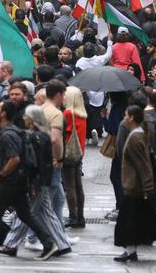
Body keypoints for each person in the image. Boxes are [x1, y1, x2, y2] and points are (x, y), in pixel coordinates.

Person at [0, 99, 58, 261]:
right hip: (21, 180)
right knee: (25, 214)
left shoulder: (7, 135)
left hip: (10, 181)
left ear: (3, 114)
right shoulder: (17, 131)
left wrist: (1, 174)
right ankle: (48, 242)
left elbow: (14, 159)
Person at [0, 105, 71, 257]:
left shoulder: (35, 137)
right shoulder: (41, 136)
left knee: (26, 212)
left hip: (36, 182)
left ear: (32, 119)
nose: (24, 118)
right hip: (41, 181)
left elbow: (36, 163)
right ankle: (63, 244)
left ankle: (11, 244)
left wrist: (34, 183)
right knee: (46, 212)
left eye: (26, 116)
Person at [113, 105, 156, 262]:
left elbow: (143, 164)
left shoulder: (136, 137)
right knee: (140, 218)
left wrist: (148, 187)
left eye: (125, 114)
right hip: (134, 186)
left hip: (135, 186)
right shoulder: (137, 134)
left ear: (131, 117)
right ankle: (132, 250)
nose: (124, 117)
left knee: (129, 220)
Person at [41, 79, 66, 224]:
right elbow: (55, 139)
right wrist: (59, 159)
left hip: (42, 160)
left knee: (59, 198)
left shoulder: (39, 109)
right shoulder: (56, 114)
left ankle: (60, 234)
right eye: (63, 95)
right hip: (52, 162)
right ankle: (33, 237)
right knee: (45, 202)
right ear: (58, 95)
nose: (64, 98)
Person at [63, 86, 87, 228]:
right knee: (78, 185)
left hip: (68, 153)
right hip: (79, 152)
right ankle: (80, 216)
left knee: (69, 186)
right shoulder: (82, 114)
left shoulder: (67, 114)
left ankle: (73, 216)